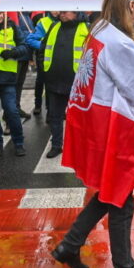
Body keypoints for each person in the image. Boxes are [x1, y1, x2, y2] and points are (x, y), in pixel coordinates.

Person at [52, 0, 134, 268]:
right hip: (115, 126)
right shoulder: (119, 40)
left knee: (113, 191)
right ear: (131, 5)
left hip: (96, 123)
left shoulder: (100, 30)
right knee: (120, 196)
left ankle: (70, 245)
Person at [42, 10, 89, 158]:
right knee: (55, 117)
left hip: (77, 83)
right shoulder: (54, 27)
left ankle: (80, 146)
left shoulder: (86, 28)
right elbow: (44, 49)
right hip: (54, 81)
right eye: (61, 11)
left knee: (79, 118)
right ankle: (57, 145)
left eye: (66, 11)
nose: (62, 13)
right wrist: (44, 73)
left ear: (76, 12)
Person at [0, 11, 28, 156]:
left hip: (7, 79)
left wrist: (13, 52)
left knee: (12, 111)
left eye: (1, 13)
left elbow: (24, 47)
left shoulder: (12, 27)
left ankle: (18, 143)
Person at [25, 11, 60, 115]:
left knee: (54, 85)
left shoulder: (66, 21)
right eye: (53, 8)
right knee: (41, 81)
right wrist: (45, 46)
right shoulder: (43, 22)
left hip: (59, 59)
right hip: (44, 58)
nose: (56, 11)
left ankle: (51, 110)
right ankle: (38, 104)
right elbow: (30, 39)